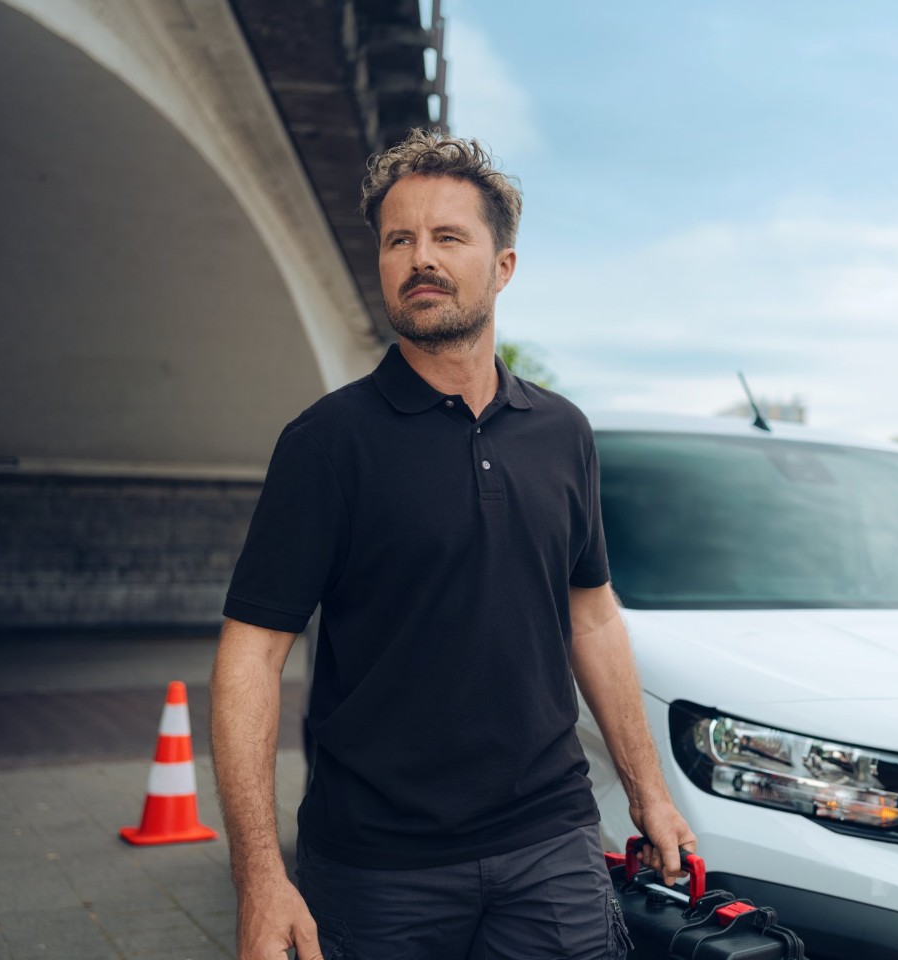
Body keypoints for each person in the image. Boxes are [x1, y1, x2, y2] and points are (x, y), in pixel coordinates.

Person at [211, 130, 695, 960]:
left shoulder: (563, 433)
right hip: (375, 865)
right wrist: (260, 877)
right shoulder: (328, 442)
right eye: (399, 240)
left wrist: (649, 789)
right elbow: (251, 656)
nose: (418, 259)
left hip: (549, 842)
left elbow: (593, 619)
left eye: (447, 238)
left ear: (502, 266)